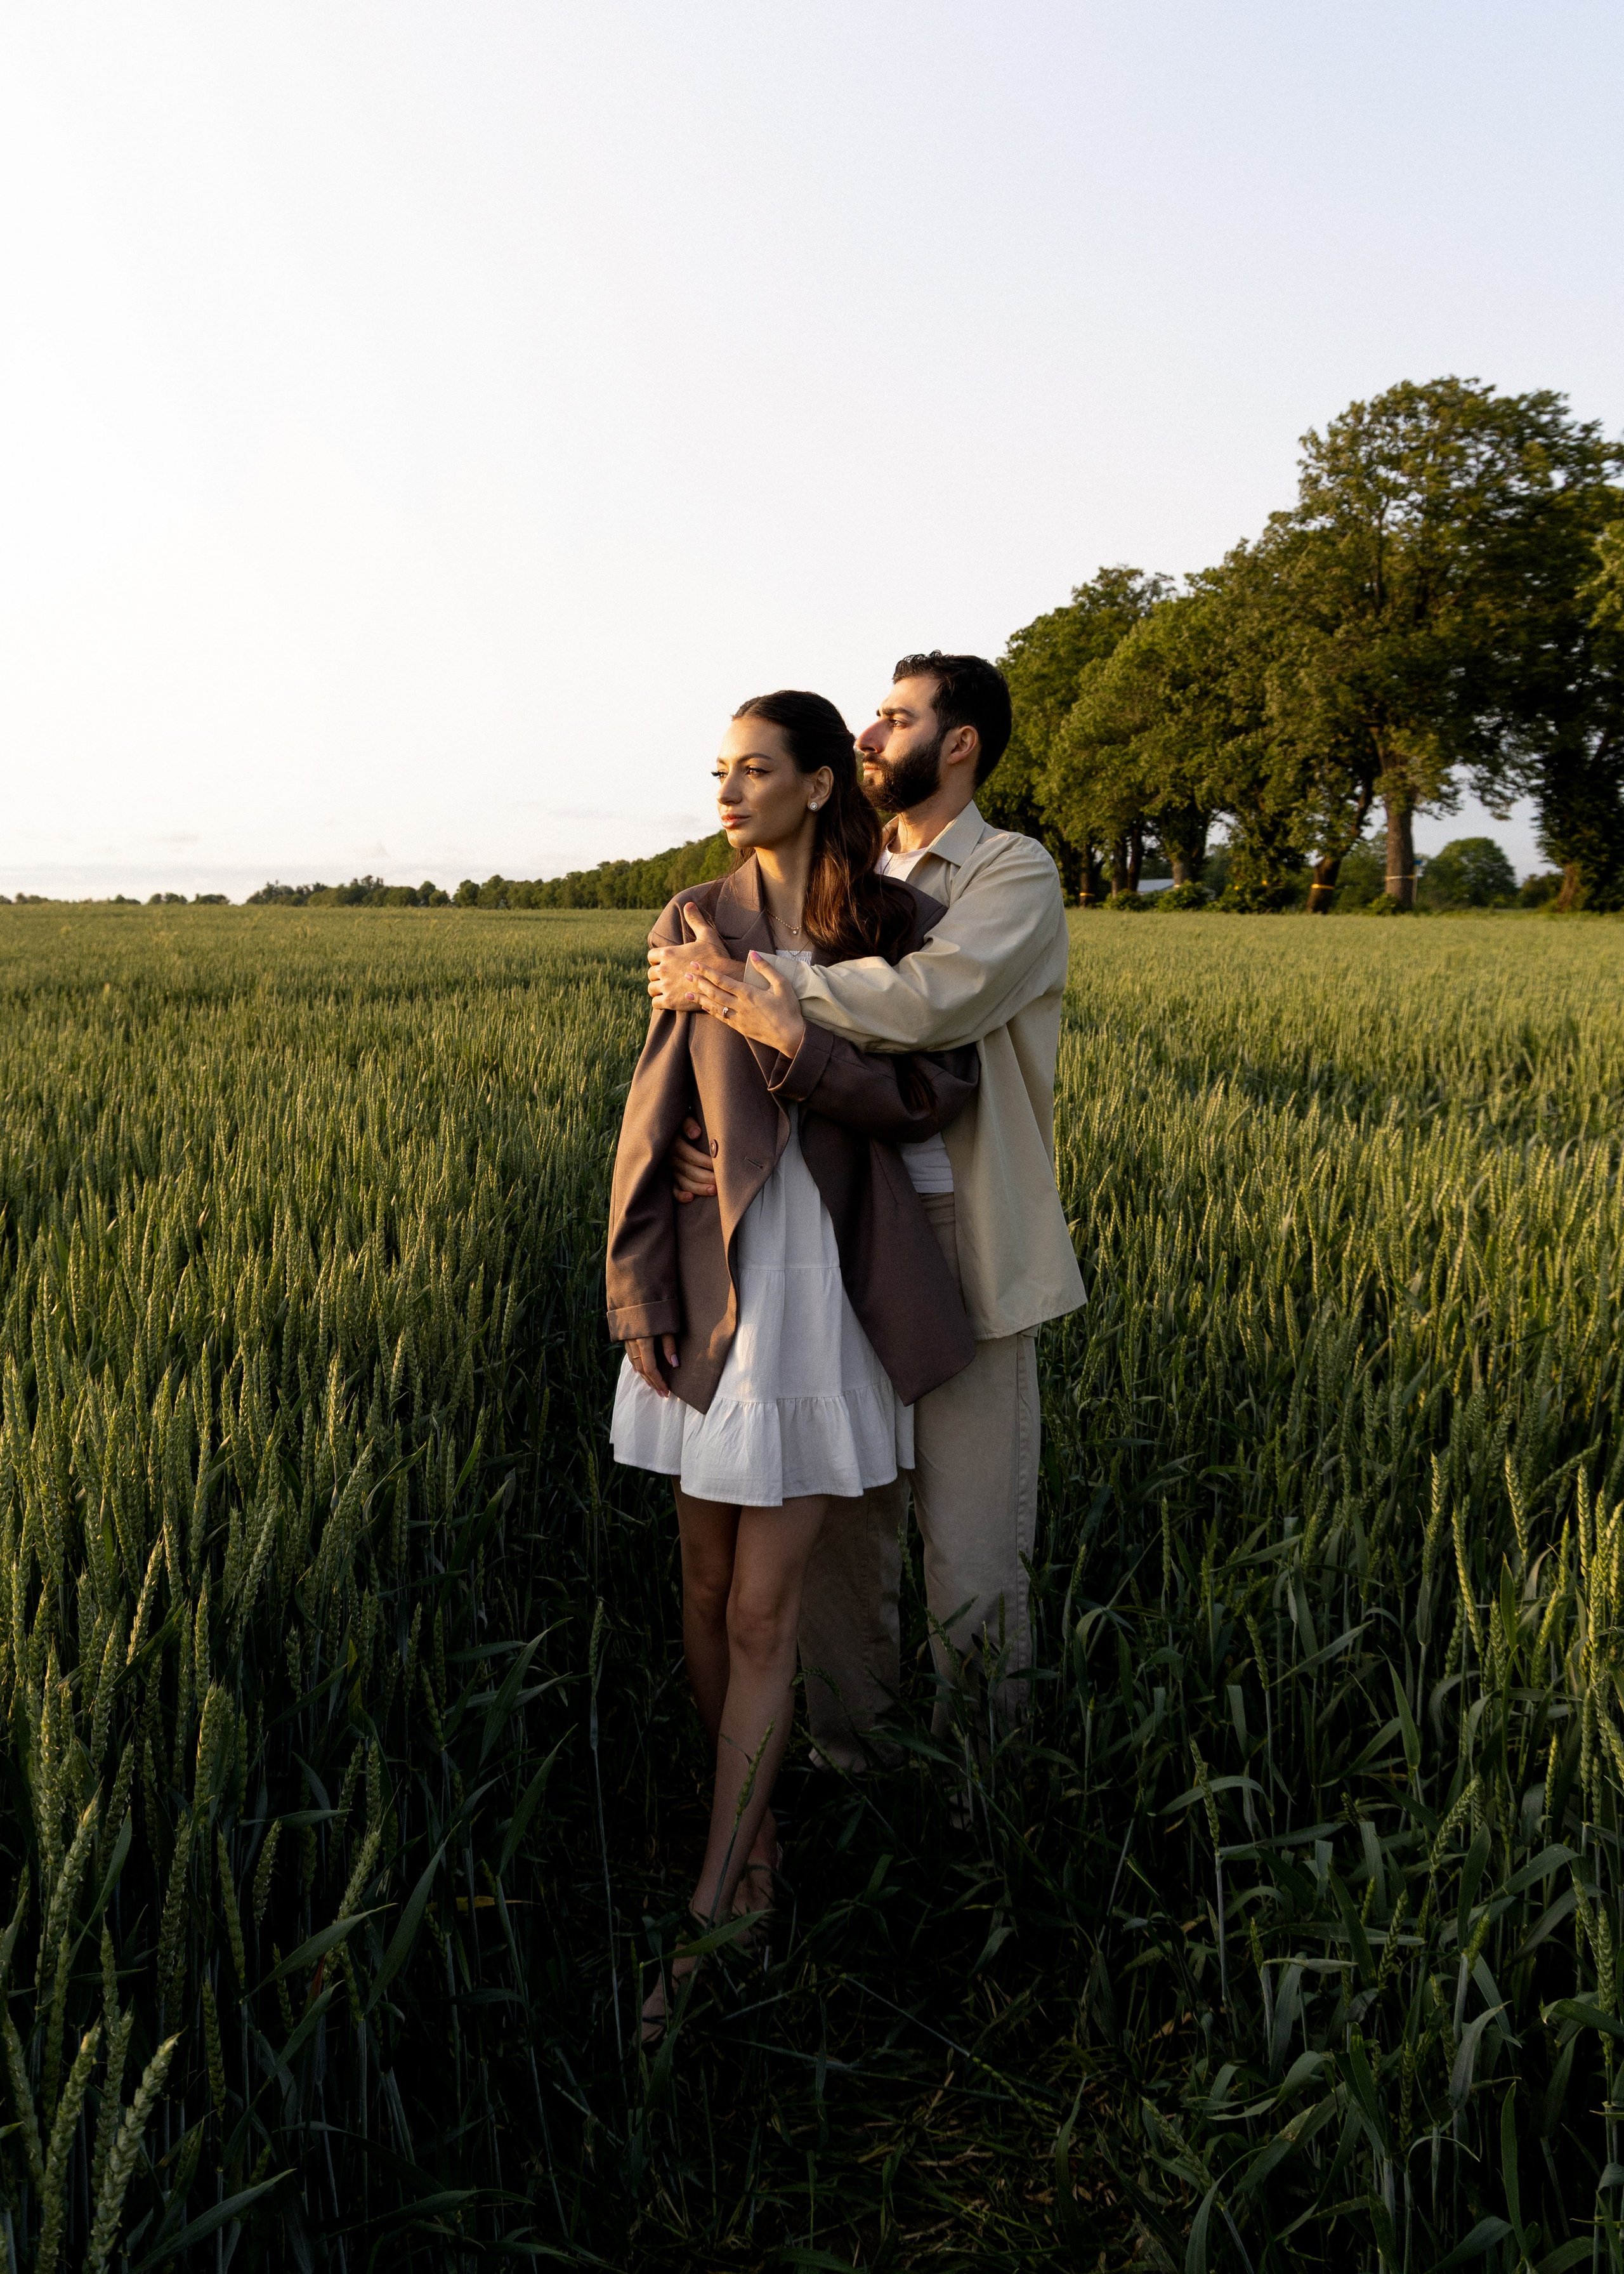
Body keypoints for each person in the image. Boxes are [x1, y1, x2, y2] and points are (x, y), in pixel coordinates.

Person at [606, 687, 980, 2041]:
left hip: (825, 1284)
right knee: (703, 1588)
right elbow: (650, 1118)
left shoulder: (895, 925)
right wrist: (636, 1280)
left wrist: (785, 1039)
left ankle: (717, 1907)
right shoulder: (688, 919)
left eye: (754, 768)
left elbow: (926, 1094)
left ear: (821, 784)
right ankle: (754, 1845)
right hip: (709, 1287)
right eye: (719, 767)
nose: (727, 787)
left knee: (765, 1610)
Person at [649, 652, 1085, 1773]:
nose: (871, 737)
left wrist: (761, 987)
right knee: (846, 1528)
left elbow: (942, 1000)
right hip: (840, 1231)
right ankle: (856, 1769)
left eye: (896, 719)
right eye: (871, 719)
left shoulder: (1010, 871)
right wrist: (713, 1144)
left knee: (974, 1545)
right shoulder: (845, 877)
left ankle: (976, 1799)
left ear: (961, 744)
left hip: (966, 1238)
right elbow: (737, 1067)